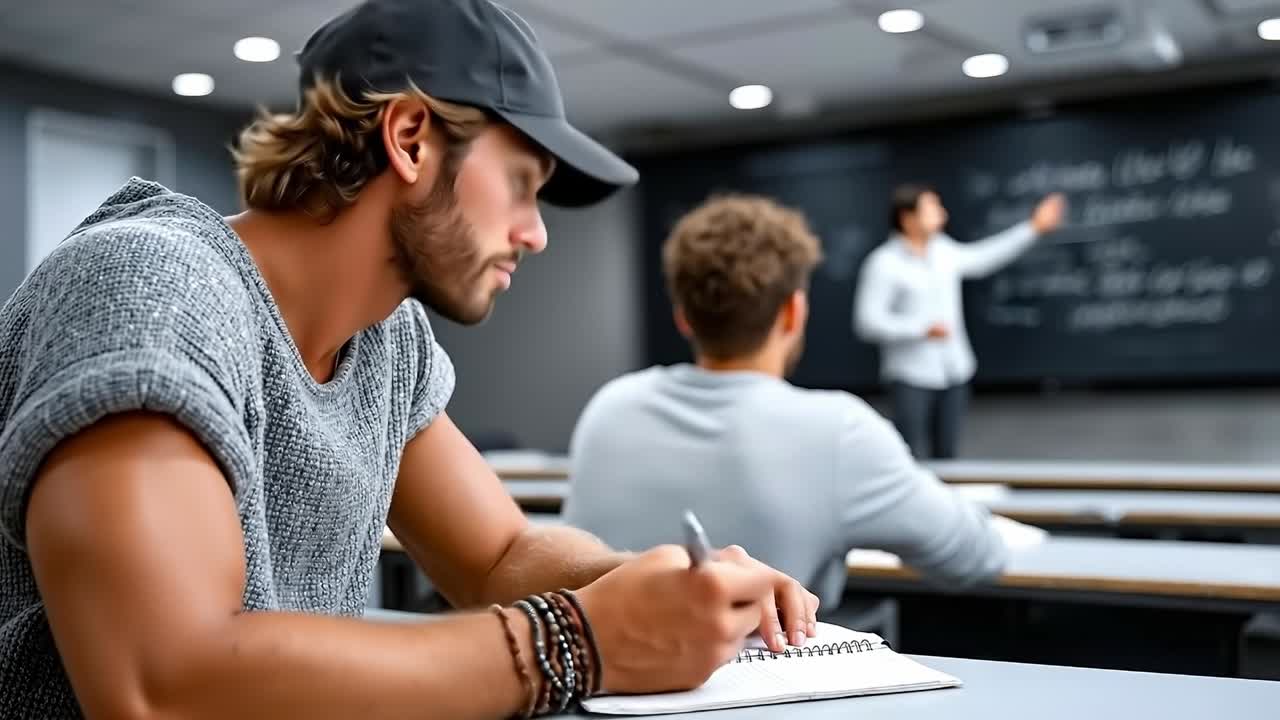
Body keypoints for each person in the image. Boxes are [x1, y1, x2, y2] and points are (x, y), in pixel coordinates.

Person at [0, 2, 819, 718]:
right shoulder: (151, 284)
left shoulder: (387, 341)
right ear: (411, 137)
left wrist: (670, 588)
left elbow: (498, 557)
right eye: (524, 184)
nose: (535, 233)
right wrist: (578, 642)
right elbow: (163, 686)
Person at [563, 193, 1017, 615]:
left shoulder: (610, 407)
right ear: (793, 312)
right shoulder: (839, 430)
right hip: (772, 695)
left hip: (602, 687)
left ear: (684, 317)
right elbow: (978, 557)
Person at [854, 186, 1066, 459]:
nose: (942, 214)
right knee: (907, 455)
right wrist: (920, 329)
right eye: (932, 208)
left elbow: (984, 258)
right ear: (907, 218)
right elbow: (867, 321)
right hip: (911, 376)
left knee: (948, 455)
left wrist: (1033, 228)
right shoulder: (883, 264)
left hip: (955, 370)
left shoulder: (943, 251)